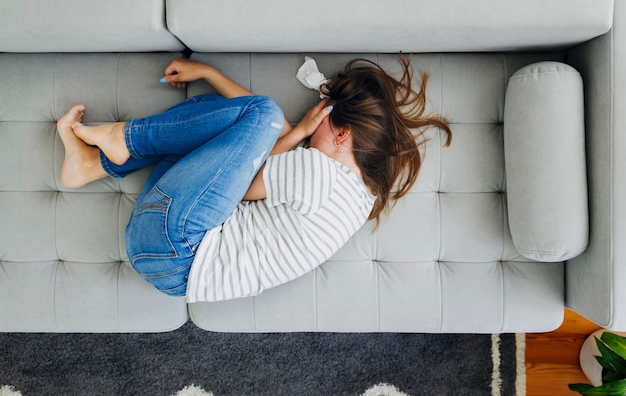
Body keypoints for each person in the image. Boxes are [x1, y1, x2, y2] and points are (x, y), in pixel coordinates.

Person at [57, 56, 452, 302]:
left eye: (319, 116)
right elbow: (246, 139)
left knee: (259, 115)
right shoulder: (354, 193)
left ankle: (123, 139)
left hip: (177, 248)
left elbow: (239, 181)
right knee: (216, 116)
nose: (305, 123)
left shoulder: (316, 173)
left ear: (341, 132)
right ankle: (90, 166)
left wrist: (296, 135)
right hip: (168, 263)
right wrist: (209, 74)